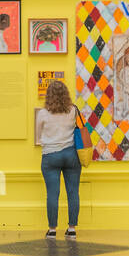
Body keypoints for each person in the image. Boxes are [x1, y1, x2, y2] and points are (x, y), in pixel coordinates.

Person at [35, 79, 82, 239]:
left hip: (50, 156)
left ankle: (52, 230)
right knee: (73, 192)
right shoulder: (73, 110)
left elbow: (38, 136)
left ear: (49, 95)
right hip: (71, 155)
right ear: (66, 94)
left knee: (52, 194)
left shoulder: (42, 113)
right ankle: (72, 229)